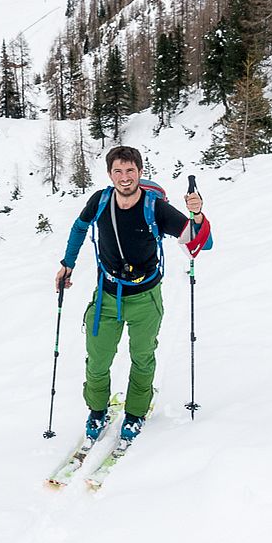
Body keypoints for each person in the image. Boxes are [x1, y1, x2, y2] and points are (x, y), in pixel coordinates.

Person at [55, 145, 208, 443]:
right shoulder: (100, 201)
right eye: (118, 171)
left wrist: (198, 215)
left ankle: (136, 414)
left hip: (145, 297)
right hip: (107, 297)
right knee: (97, 361)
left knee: (142, 357)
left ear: (139, 172)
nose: (124, 177)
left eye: (130, 171)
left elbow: (200, 243)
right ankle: (97, 411)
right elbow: (79, 228)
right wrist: (67, 264)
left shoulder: (156, 207)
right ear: (110, 174)